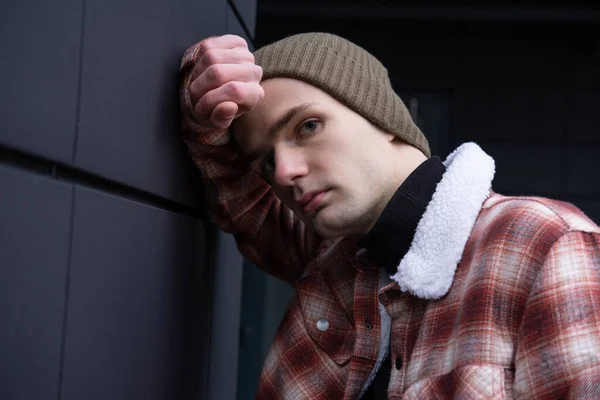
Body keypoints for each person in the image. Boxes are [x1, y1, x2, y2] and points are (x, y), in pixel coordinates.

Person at [179, 32, 600, 399]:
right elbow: (242, 200)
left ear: (383, 116)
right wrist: (205, 105)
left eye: (308, 126)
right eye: (267, 163)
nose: (285, 173)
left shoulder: (544, 243)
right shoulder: (332, 257)